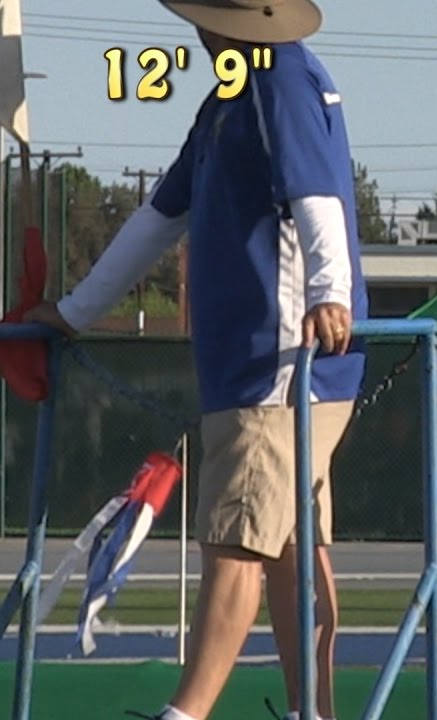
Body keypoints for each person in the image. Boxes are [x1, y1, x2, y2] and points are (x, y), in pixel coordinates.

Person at [24, 2, 365, 718]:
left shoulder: (278, 81)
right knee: (287, 552)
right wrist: (78, 310)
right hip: (267, 368)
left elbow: (315, 193)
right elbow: (162, 213)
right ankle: (314, 712)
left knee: (237, 542)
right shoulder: (234, 95)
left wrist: (331, 293)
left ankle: (186, 713)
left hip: (275, 366)